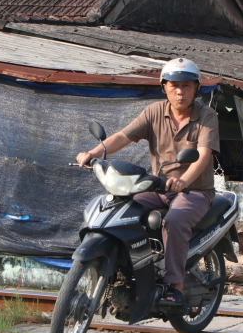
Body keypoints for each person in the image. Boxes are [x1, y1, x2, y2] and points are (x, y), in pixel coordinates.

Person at [76, 58, 219, 305]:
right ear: (163, 86)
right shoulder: (154, 112)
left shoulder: (207, 116)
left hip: (194, 192)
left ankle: (175, 286)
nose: (179, 91)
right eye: (174, 85)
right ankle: (130, 268)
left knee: (174, 221)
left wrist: (183, 181)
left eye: (186, 85)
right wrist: (92, 153)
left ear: (196, 88)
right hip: (158, 187)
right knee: (123, 208)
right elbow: (123, 136)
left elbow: (203, 156)